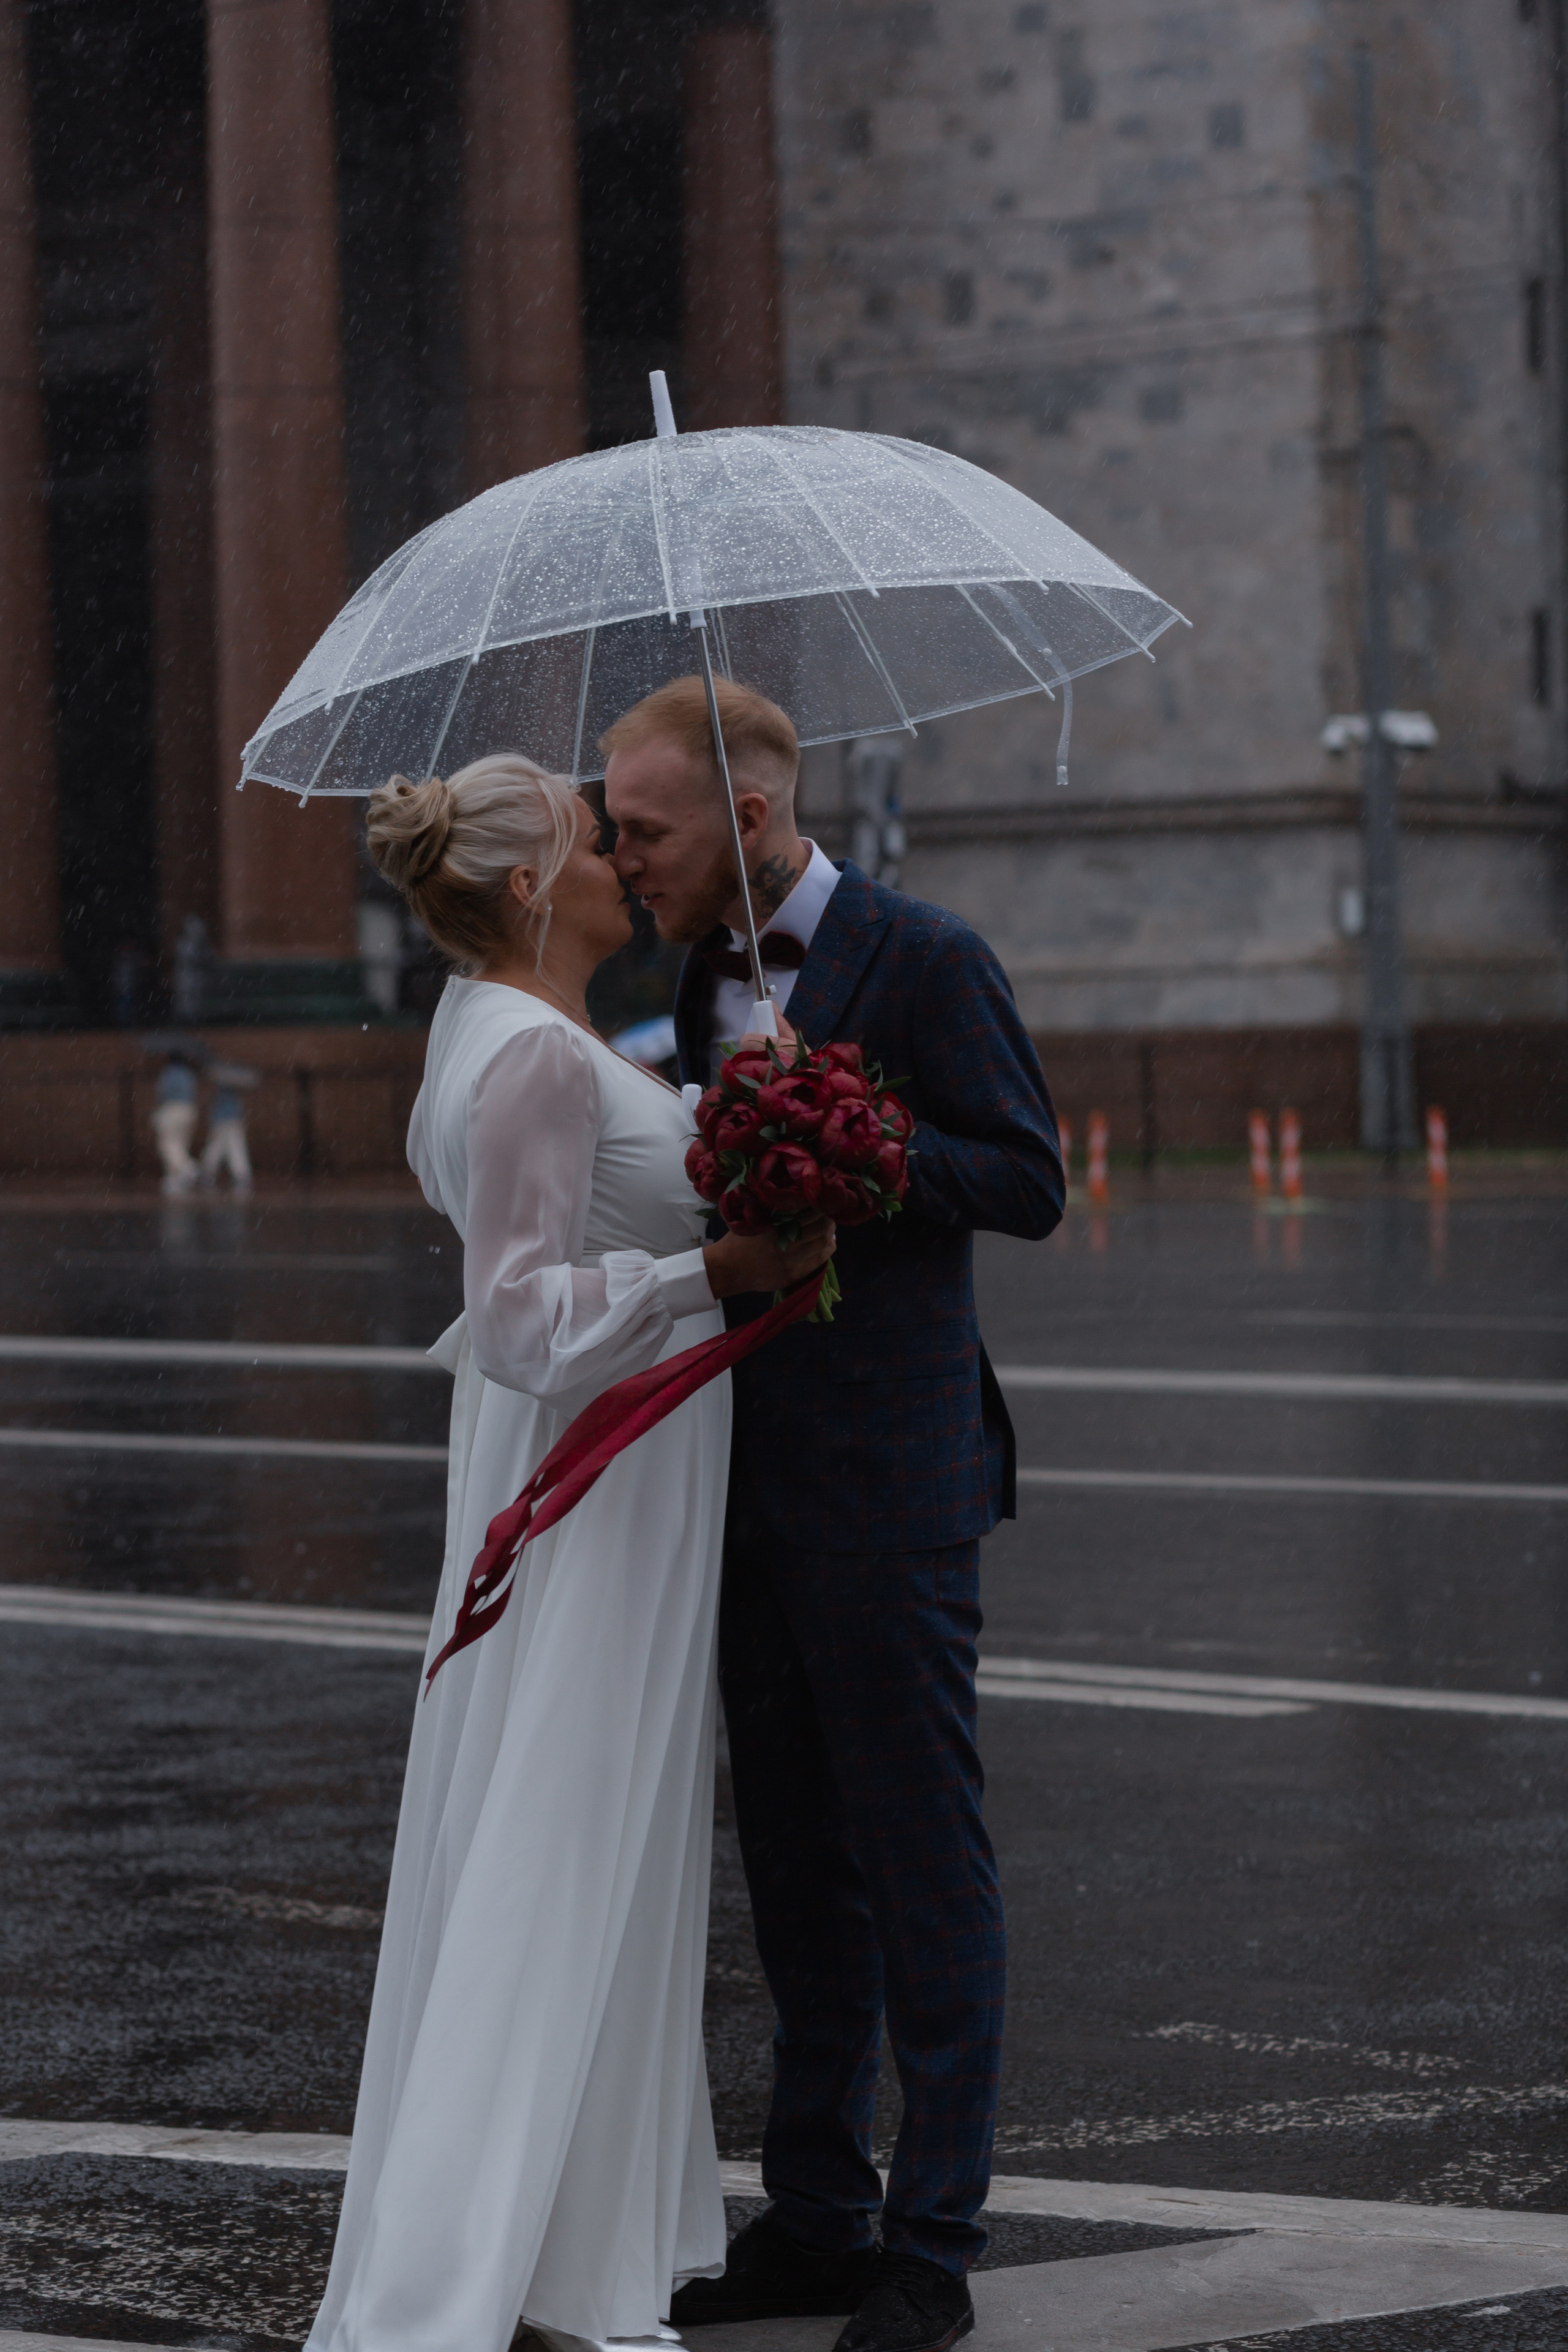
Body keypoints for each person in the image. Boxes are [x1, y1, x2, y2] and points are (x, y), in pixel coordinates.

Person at [306, 754, 835, 2352]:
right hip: (598, 1492)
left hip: (610, 1487)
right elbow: (524, 1319)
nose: (621, 853)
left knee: (593, 1855)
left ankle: (560, 2250)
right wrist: (717, 1270)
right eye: (594, 836)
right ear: (534, 885)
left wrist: (758, 1121)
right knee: (562, 1853)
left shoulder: (505, 1029)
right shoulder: (532, 1055)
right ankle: (485, 2271)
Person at [603, 677, 1063, 2352]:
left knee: (921, 1857)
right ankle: (814, 2210)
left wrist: (867, 1146)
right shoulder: (699, 966)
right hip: (745, 1476)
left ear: (744, 818)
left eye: (641, 828)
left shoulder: (927, 956)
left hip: (894, 1476)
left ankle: (931, 2241)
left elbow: (1028, 1176)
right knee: (796, 1863)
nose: (616, 853)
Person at [199, 1063, 256, 1195]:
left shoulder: (220, 1088)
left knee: (217, 1147)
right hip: (232, 1120)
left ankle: (208, 1172)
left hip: (221, 1120)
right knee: (234, 1147)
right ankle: (241, 1175)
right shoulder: (235, 1090)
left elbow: (213, 1105)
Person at [151, 1049, 200, 1194]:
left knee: (167, 1144)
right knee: (181, 1144)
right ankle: (174, 1178)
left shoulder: (169, 1073)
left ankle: (189, 1168)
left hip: (172, 1110)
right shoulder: (189, 1074)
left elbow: (162, 1093)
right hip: (189, 1111)